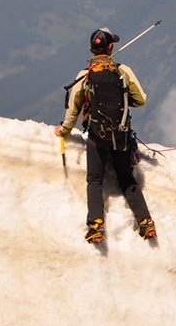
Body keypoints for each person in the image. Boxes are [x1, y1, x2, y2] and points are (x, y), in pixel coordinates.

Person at [55, 27, 156, 243]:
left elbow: (73, 108)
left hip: (97, 137)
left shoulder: (85, 75)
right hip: (121, 136)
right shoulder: (123, 71)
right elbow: (141, 100)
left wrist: (63, 130)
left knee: (94, 179)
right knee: (127, 179)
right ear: (110, 48)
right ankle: (146, 222)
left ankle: (96, 226)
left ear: (92, 49)